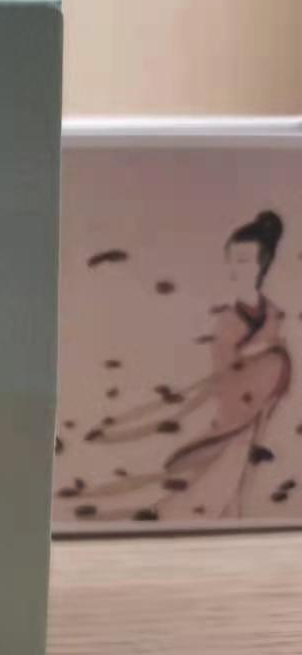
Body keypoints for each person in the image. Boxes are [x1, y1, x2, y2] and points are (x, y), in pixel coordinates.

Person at [76, 210, 290, 521]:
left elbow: (276, 354)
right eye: (233, 260)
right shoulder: (226, 320)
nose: (237, 268)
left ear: (263, 263)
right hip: (233, 411)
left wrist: (270, 357)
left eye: (245, 261)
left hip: (266, 400)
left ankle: (231, 518)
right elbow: (225, 370)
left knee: (243, 470)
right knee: (220, 472)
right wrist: (263, 351)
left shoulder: (275, 313)